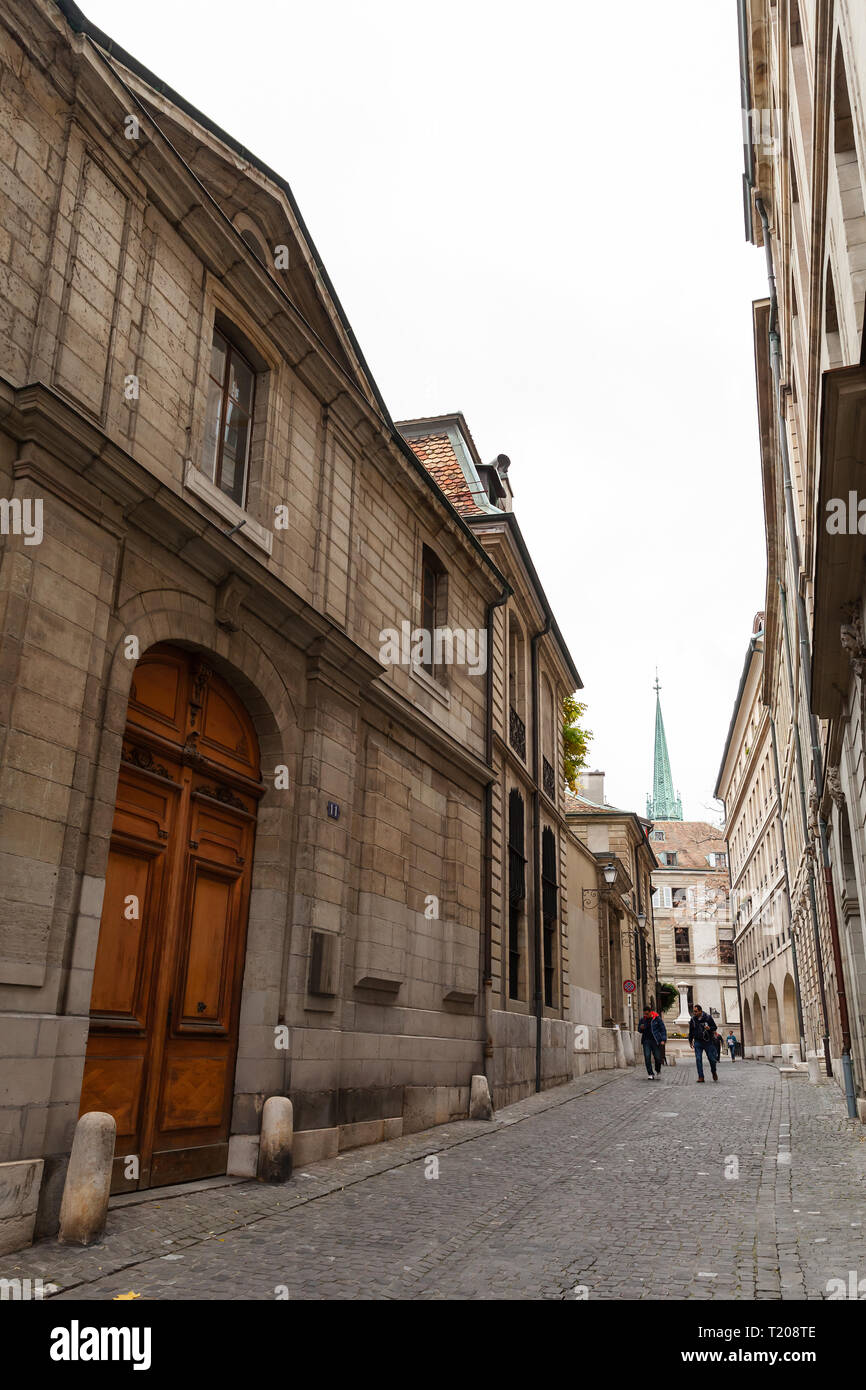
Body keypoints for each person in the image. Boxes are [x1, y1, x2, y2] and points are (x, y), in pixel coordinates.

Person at [688, 1003, 719, 1082]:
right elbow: (691, 1031)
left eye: (696, 1011)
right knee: (698, 1059)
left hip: (708, 1041)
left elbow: (715, 1027)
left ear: (700, 1011)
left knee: (711, 1059)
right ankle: (701, 1076)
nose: (694, 1013)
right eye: (694, 1011)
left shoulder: (708, 1017)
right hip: (698, 1041)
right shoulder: (693, 1020)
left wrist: (709, 1028)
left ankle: (713, 1071)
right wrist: (690, 1040)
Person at [638, 1006, 666, 1080]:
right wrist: (641, 1028)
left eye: (647, 1014)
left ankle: (658, 1069)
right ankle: (650, 1073)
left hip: (655, 1041)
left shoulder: (657, 1019)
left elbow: (663, 1029)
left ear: (650, 1012)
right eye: (645, 1014)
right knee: (647, 1057)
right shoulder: (642, 1020)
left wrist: (663, 1039)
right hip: (646, 1041)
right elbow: (639, 1030)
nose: (646, 1015)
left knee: (658, 1057)